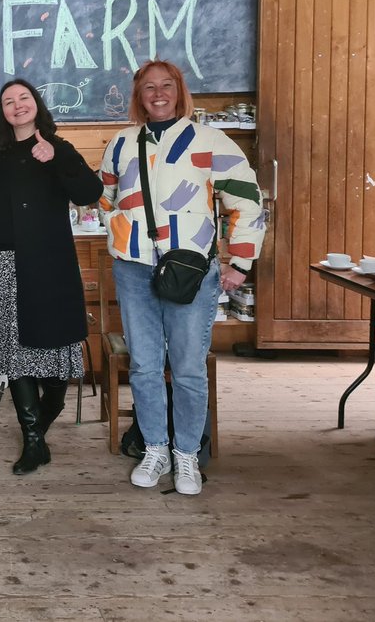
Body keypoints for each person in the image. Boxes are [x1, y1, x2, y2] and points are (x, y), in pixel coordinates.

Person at [100, 60, 264, 496]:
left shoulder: (211, 141)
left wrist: (239, 263)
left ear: (180, 91)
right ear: (138, 95)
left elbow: (248, 202)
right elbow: (105, 198)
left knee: (189, 368)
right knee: (144, 366)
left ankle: (187, 452)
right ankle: (155, 446)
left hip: (191, 271)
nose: (158, 94)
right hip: (133, 269)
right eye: (149, 87)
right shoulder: (120, 143)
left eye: (166, 86)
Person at [0, 78, 102, 475]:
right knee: (12, 355)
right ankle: (33, 440)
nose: (17, 105)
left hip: (44, 267)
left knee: (54, 362)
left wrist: (55, 158)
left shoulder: (58, 148)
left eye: (23, 98)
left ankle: (42, 421)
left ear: (35, 104)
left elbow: (90, 191)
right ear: (1, 113)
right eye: (8, 101)